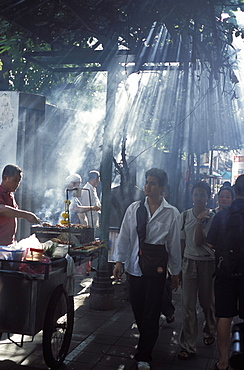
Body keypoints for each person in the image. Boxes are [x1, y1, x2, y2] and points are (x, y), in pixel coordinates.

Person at [112, 168, 181, 370]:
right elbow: (124, 237)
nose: (147, 186)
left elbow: (174, 245)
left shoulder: (171, 213)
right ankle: (146, 339)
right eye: (147, 182)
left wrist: (175, 273)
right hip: (135, 268)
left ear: (161, 188)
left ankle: (144, 354)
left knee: (151, 312)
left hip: (157, 271)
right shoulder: (134, 209)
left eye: (152, 183)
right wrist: (119, 262)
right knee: (138, 308)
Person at [207, 174, 244, 370]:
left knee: (224, 316)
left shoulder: (221, 215)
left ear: (235, 191)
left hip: (225, 272)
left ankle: (223, 361)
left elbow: (211, 243)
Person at [178, 181, 216, 360]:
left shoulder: (213, 217)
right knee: (187, 306)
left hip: (208, 263)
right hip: (189, 262)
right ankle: (188, 345)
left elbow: (201, 241)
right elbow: (182, 242)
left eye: (203, 195)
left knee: (207, 303)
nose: (199, 198)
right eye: (196, 194)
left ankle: (210, 331)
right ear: (191, 196)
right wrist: (178, 266)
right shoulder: (184, 216)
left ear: (209, 197)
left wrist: (200, 221)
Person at [0, 164, 39, 246]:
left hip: (9, 244)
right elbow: (2, 209)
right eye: (15, 180)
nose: (17, 184)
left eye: (19, 182)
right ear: (4, 178)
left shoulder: (10, 195)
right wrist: (26, 215)